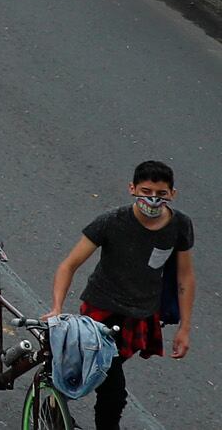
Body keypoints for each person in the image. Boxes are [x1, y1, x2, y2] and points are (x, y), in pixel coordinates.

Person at [46, 159, 196, 430]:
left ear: (172, 194)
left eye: (161, 194)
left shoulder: (180, 226)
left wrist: (184, 328)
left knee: (97, 375)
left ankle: (55, 401)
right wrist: (56, 307)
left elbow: (185, 276)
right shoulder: (110, 222)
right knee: (113, 391)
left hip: (140, 315)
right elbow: (68, 265)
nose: (153, 200)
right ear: (132, 189)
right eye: (146, 191)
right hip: (101, 312)